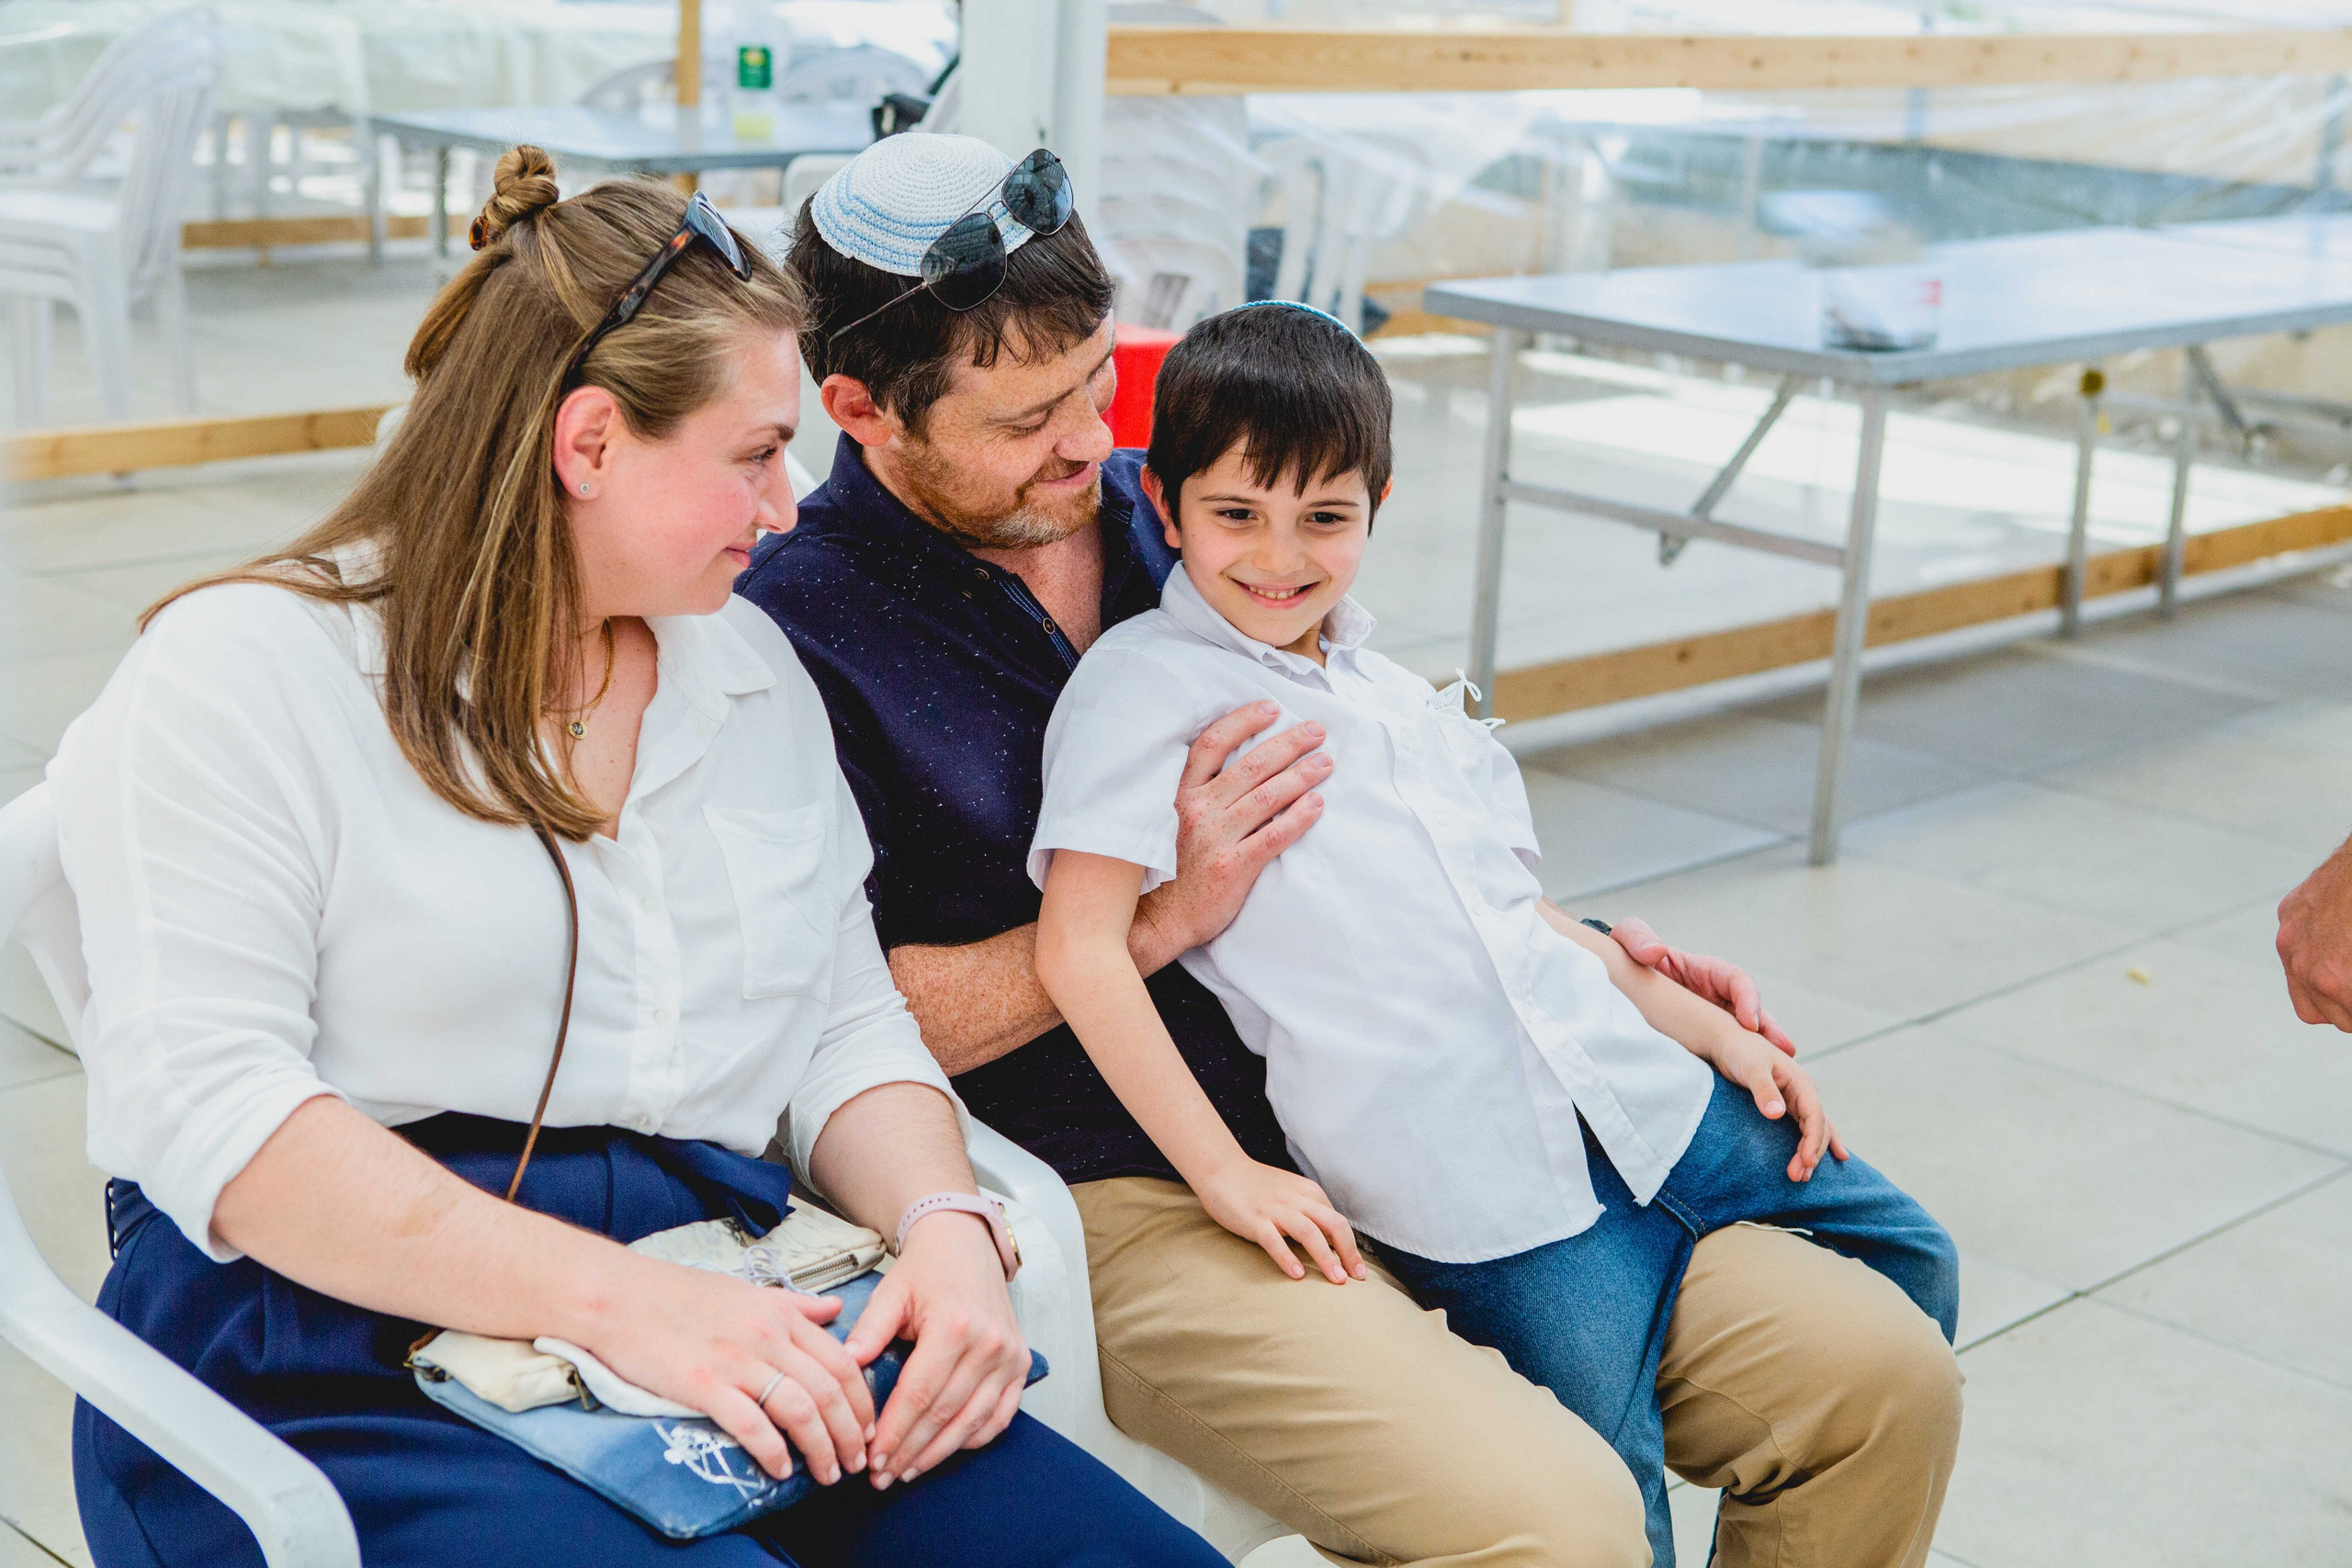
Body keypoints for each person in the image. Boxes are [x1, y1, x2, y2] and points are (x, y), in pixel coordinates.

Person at [740, 131, 1963, 1568]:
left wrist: (1591, 956)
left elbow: (1386, 807)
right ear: (860, 409)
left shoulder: (1190, 499)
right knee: (1563, 1525)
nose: (1088, 446)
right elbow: (829, 1019)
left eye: (1095, 386)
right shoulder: (793, 637)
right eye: (1026, 423)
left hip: (1422, 1110)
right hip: (1126, 1187)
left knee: (1884, 1380)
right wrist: (1162, 915)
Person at [57, 148, 1225, 1568]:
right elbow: (218, 1117)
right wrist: (618, 1304)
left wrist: (946, 1225)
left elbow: (841, 1025)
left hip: (715, 1287)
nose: (792, 500)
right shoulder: (251, 672)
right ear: (590, 443)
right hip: (331, 1336)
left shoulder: (742, 672)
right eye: (752, 453)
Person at [1027, 302, 1962, 1568]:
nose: (1279, 558)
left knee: (1913, 1261)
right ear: (1163, 504)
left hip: (1635, 1098)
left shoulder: (1393, 693)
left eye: (1325, 518)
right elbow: (1079, 950)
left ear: (1379, 503)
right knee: (1613, 1507)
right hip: (1478, 1194)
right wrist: (1223, 1174)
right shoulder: (1143, 689)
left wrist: (1699, 1025)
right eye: (1238, 515)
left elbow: (1515, 919)